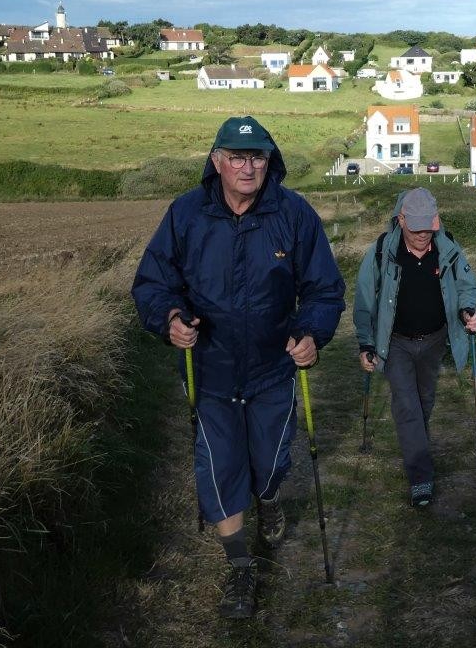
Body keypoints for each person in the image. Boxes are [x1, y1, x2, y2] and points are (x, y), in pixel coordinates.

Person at [131, 116, 345, 619]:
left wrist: (312, 333)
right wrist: (170, 319)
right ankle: (240, 567)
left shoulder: (294, 214)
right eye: (236, 157)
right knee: (220, 465)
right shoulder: (186, 214)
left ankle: (269, 498)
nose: (247, 167)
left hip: (274, 366)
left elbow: (323, 289)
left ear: (269, 163)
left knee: (269, 464)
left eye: (257, 157)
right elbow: (153, 283)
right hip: (210, 369)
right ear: (217, 162)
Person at [353, 188, 476, 507]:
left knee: (424, 400)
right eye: (417, 228)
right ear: (402, 221)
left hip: (435, 340)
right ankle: (421, 477)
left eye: (429, 227)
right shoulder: (382, 250)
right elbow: (365, 301)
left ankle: (416, 447)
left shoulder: (448, 248)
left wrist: (469, 310)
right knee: (407, 405)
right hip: (395, 343)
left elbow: (469, 287)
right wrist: (365, 342)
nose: (424, 234)